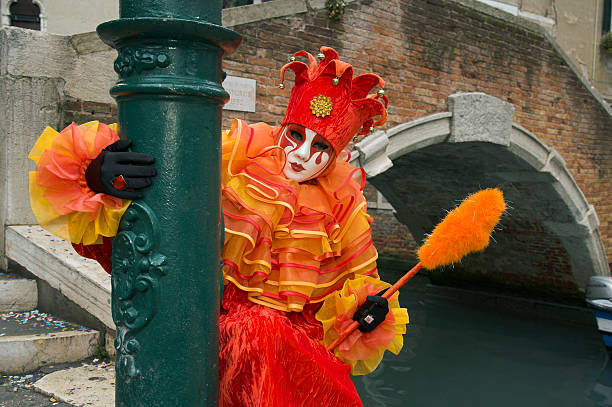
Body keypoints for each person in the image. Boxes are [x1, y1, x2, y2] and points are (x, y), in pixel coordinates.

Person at [28, 46, 408, 407]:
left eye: (321, 147)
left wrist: (367, 310)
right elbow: (164, 203)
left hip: (292, 347)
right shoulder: (236, 160)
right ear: (284, 129)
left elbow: (354, 291)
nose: (303, 155)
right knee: (257, 331)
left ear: (335, 153)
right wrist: (98, 176)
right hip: (209, 324)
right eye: (296, 135)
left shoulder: (342, 204)